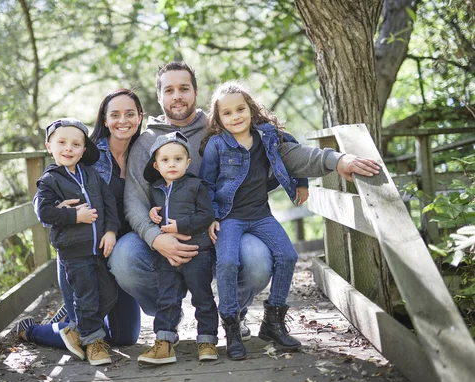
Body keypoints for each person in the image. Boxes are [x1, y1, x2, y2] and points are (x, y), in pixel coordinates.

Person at [109, 61, 380, 343]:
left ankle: (233, 315)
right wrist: (155, 238)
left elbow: (286, 152)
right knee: (124, 257)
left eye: (184, 88)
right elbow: (134, 202)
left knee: (258, 258)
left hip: (224, 228)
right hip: (168, 235)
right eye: (169, 90)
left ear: (196, 92)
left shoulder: (221, 125)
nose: (177, 95)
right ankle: (169, 310)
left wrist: (337, 160)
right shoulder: (146, 142)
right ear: (160, 95)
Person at [16, 89, 144, 350]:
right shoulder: (88, 154)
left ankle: (75, 319)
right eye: (115, 114)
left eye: (130, 114)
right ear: (104, 120)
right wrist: (62, 210)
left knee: (124, 337)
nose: (123, 120)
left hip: (119, 252)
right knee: (91, 331)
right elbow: (45, 199)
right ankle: (35, 331)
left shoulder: (144, 153)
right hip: (82, 252)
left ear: (140, 118)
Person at [199, 81, 312, 359]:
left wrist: (302, 182)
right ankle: (232, 328)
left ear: (251, 109)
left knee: (287, 256)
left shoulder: (268, 135)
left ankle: (272, 322)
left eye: (241, 109)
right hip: (228, 218)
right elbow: (206, 184)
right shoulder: (216, 145)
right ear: (218, 118)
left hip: (261, 215)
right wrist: (211, 217)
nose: (235, 117)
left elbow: (295, 150)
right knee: (227, 263)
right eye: (227, 113)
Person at [33, 117, 120, 366]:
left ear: (83, 150)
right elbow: (44, 213)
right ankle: (93, 342)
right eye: (61, 142)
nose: (68, 148)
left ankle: (77, 329)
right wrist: (74, 215)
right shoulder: (49, 180)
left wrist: (111, 230)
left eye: (75, 144)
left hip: (99, 249)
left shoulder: (91, 175)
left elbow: (108, 202)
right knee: (86, 297)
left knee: (109, 293)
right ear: (49, 146)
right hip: (74, 251)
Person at [137, 132, 218, 365]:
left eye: (178, 159)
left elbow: (206, 215)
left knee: (202, 297)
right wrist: (153, 213)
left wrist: (180, 225)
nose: (171, 164)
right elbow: (157, 212)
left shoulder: (195, 185)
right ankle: (164, 341)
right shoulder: (156, 189)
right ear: (156, 164)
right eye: (165, 160)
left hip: (196, 252)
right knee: (167, 298)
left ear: (188, 162)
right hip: (167, 256)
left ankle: (207, 340)